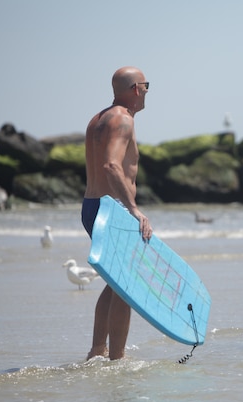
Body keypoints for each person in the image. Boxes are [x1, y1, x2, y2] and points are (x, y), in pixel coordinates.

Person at [82, 66, 153, 360]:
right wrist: (134, 210)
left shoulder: (98, 119)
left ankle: (98, 351)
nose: (148, 90)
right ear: (136, 89)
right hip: (113, 210)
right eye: (146, 85)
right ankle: (117, 358)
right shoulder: (123, 119)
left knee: (114, 284)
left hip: (92, 206)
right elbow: (111, 166)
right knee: (126, 287)